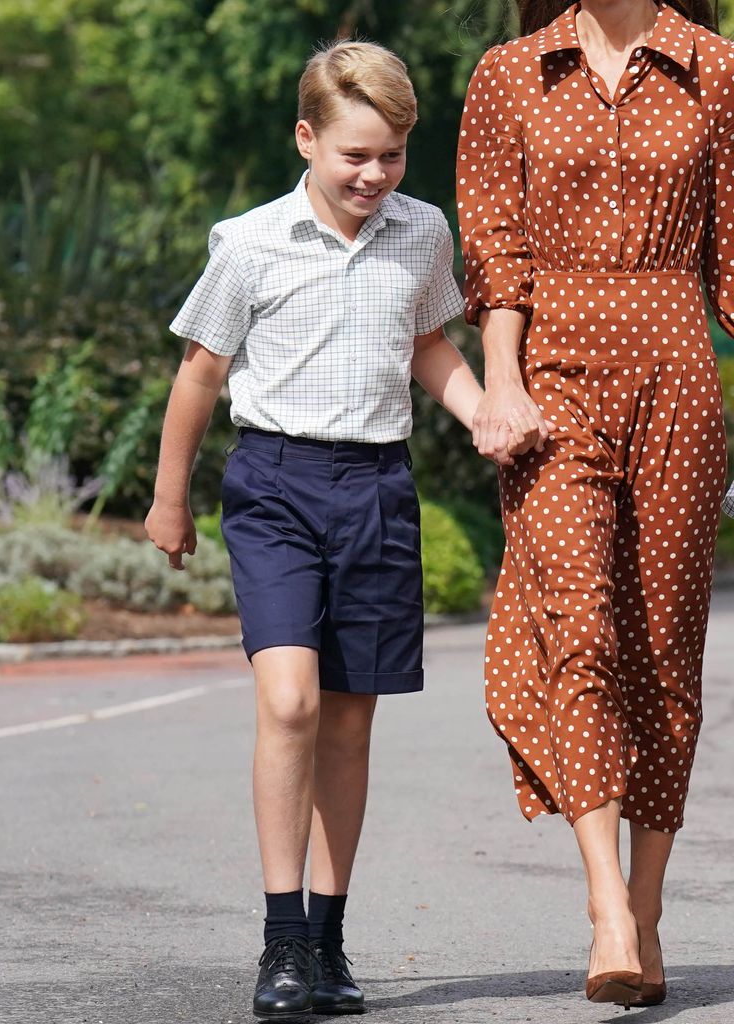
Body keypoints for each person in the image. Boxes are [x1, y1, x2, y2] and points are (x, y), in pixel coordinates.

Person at [146, 39, 503, 1023]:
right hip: (276, 487)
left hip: (378, 488)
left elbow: (430, 346)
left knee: (350, 716)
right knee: (293, 701)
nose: (372, 175)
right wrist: (171, 498)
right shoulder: (250, 241)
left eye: (390, 155)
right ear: (306, 138)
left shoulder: (422, 232)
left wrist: (481, 415)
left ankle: (330, 938)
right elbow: (200, 377)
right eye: (353, 155)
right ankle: (281, 939)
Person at [457, 0, 730, 1009]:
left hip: (677, 371)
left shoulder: (716, 69)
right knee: (580, 626)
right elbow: (492, 247)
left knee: (664, 642)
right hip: (548, 376)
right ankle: (607, 903)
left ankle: (649, 907)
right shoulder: (510, 71)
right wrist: (501, 380)